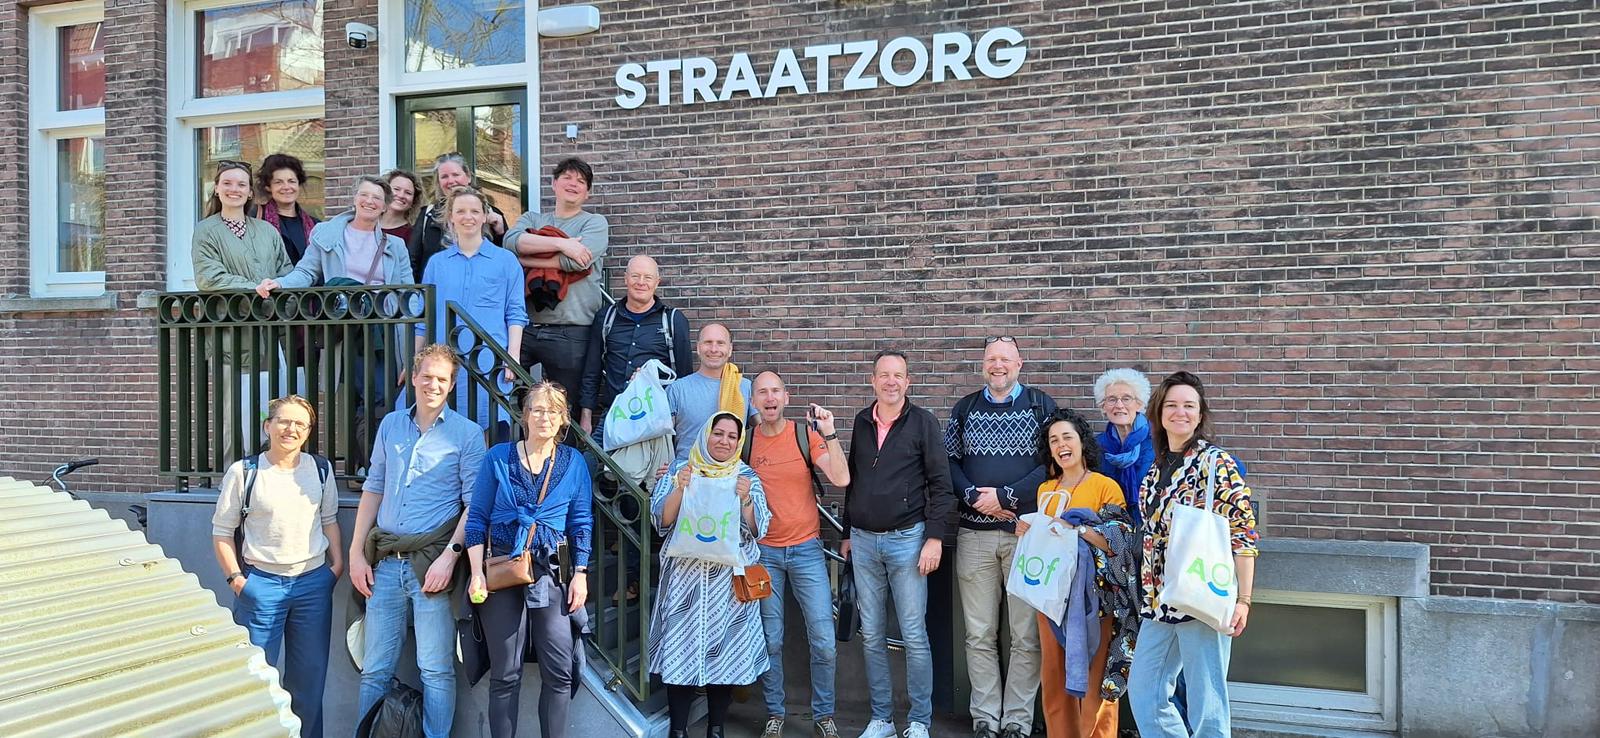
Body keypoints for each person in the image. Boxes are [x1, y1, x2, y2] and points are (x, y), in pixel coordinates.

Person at [350, 343, 488, 738]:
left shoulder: (467, 434)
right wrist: (357, 553)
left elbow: (474, 505)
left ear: (452, 384)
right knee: (375, 669)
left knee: (435, 669)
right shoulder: (391, 425)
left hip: (431, 565)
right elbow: (373, 488)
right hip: (384, 564)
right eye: (426, 376)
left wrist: (450, 557)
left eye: (442, 379)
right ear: (413, 378)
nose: (433, 384)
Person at [1128, 371, 1260, 738]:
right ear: (1158, 413)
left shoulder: (1216, 463)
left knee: (1207, 704)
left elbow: (1244, 533)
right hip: (1160, 599)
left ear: (1200, 414)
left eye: (1189, 405)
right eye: (1171, 405)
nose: (1180, 412)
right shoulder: (1154, 469)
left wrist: (1244, 600)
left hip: (1202, 594)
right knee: (1144, 691)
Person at [465, 381, 594, 738]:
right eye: (537, 409)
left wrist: (580, 573)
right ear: (525, 415)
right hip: (502, 569)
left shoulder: (573, 462)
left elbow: (581, 523)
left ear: (563, 419)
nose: (544, 417)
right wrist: (476, 573)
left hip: (551, 571)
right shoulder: (498, 458)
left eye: (553, 411)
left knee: (559, 671)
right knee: (505, 673)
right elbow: (476, 520)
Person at [257, 175, 417, 463]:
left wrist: (416, 342)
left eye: (377, 198)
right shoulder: (327, 234)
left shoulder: (395, 245)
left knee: (380, 396)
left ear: (385, 206)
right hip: (343, 328)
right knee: (352, 397)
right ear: (354, 198)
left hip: (382, 330)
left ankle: (371, 465)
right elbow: (307, 272)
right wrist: (280, 283)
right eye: (364, 195)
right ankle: (363, 466)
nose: (370, 201)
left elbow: (409, 294)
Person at [210, 394, 341, 738]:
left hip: (312, 585)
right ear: (268, 426)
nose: (291, 429)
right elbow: (222, 532)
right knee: (255, 683)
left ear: (308, 432)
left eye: (300, 424)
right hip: (261, 586)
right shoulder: (244, 472)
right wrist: (236, 580)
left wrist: (337, 566)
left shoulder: (320, 470)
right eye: (284, 421)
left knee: (308, 686)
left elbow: (328, 520)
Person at [945, 335, 1056, 738]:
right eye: (991, 358)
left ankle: (1017, 721)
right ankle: (986, 717)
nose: (998, 365)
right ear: (983, 364)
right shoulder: (965, 409)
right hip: (974, 536)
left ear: (1019, 364)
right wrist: (974, 496)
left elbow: (1053, 462)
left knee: (1026, 636)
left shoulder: (1042, 406)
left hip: (1026, 536)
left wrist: (1007, 496)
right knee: (978, 634)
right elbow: (949, 461)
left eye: (1005, 359)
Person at [842, 350, 956, 738]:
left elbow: (942, 486)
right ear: (872, 380)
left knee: (913, 634)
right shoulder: (861, 421)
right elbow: (853, 481)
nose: (891, 382)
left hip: (908, 541)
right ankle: (882, 720)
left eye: (898, 375)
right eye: (884, 375)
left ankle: (919, 721)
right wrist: (846, 533)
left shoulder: (923, 422)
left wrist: (934, 538)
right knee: (872, 635)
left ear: (908, 382)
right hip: (863, 542)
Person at [649, 411, 771, 738]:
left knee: (724, 654)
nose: (724, 441)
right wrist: (679, 488)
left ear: (739, 442)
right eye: (718, 433)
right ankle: (677, 730)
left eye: (732, 436)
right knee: (680, 651)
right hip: (684, 580)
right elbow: (661, 520)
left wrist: (746, 500)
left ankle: (716, 729)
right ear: (706, 434)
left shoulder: (746, 475)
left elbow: (759, 529)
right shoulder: (680, 469)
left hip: (728, 586)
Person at [1019, 409, 1138, 738]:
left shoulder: (1105, 486)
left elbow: (1118, 543)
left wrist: (1078, 529)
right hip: (1050, 596)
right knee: (1054, 678)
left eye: (1067, 437)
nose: (1061, 445)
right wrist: (1027, 531)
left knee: (1096, 678)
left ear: (1082, 442)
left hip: (1095, 599)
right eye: (1053, 440)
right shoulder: (1045, 490)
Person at [746, 371, 849, 738]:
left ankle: (824, 715)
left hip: (807, 550)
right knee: (770, 639)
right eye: (762, 392)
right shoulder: (745, 443)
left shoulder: (805, 435)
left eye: (776, 391)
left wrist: (829, 433)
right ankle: (775, 713)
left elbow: (841, 478)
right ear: (753, 401)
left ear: (786, 397)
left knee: (823, 639)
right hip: (763, 553)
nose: (770, 398)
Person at [192, 159, 293, 463]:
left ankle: (268, 469)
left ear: (250, 192)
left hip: (268, 334)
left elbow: (286, 272)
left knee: (270, 408)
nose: (234, 189)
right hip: (230, 337)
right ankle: (232, 474)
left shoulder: (267, 231)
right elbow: (209, 277)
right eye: (227, 183)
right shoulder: (206, 231)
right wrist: (253, 288)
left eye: (241, 184)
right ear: (217, 189)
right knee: (233, 412)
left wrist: (276, 293)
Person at [415, 187, 528, 433]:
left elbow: (516, 313)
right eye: (461, 211)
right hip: (444, 362)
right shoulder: (436, 263)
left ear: (485, 216)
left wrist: (512, 357)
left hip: (490, 360)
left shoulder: (506, 261)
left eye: (475, 211)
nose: (468, 217)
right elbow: (423, 318)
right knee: (442, 431)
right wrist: (415, 361)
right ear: (451, 217)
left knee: (491, 429)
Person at [505, 158, 609, 403]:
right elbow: (510, 243)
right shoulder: (532, 219)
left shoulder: (594, 222)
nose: (573, 184)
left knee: (565, 407)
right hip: (526, 328)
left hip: (571, 331)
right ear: (553, 184)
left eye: (580, 181)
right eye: (567, 178)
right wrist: (563, 244)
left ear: (587, 192)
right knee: (508, 398)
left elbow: (578, 262)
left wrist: (526, 258)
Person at [578, 255, 693, 438]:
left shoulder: (673, 320)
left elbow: (684, 378)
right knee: (590, 456)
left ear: (657, 282)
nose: (641, 282)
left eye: (648, 277)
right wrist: (586, 417)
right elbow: (592, 371)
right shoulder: (606, 318)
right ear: (625, 279)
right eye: (635, 276)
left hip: (656, 420)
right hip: (614, 415)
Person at [410, 152, 509, 278]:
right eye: (444, 176)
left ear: (468, 177)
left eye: (456, 174)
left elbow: (506, 261)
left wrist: (501, 233)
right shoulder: (427, 215)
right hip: (437, 287)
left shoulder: (491, 213)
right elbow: (412, 261)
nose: (451, 181)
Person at [666, 324, 752, 464]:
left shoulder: (745, 387)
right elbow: (661, 438)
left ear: (730, 349)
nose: (713, 349)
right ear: (698, 348)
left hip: (731, 473)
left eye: (720, 343)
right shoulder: (677, 389)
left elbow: (764, 430)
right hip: (687, 472)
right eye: (708, 342)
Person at [1093, 368, 1155, 529]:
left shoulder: (1158, 442)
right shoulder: (1095, 447)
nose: (1119, 405)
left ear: (1139, 404)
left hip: (1151, 528)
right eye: (1112, 399)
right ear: (1103, 406)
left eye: (1126, 398)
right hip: (1112, 530)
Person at [253, 153, 320, 264]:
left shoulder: (315, 226)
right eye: (278, 182)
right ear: (268, 187)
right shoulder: (255, 218)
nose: (286, 187)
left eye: (291, 181)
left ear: (298, 184)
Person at [379, 169, 425, 248]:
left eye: (408, 193)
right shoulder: (368, 224)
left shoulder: (415, 234)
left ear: (414, 200)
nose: (401, 195)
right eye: (396, 189)